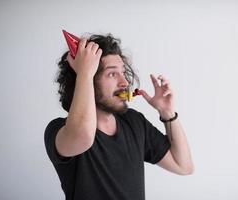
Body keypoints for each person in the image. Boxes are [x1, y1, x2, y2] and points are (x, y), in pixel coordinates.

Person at [44, 33, 194, 200]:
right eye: (112, 74)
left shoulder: (134, 121)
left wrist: (167, 113)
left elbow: (183, 166)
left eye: (123, 72)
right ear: (85, 78)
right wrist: (84, 73)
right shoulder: (59, 130)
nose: (125, 83)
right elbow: (83, 136)